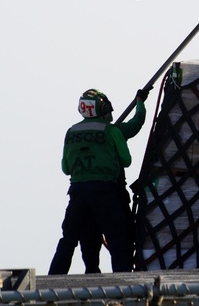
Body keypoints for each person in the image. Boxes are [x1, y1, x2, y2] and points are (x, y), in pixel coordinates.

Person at [47, 89, 144, 274]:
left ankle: (55, 278)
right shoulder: (111, 131)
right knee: (117, 238)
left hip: (77, 193)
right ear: (102, 107)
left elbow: (66, 168)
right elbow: (127, 160)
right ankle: (123, 281)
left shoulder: (71, 132)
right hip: (104, 192)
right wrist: (140, 103)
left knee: (70, 239)